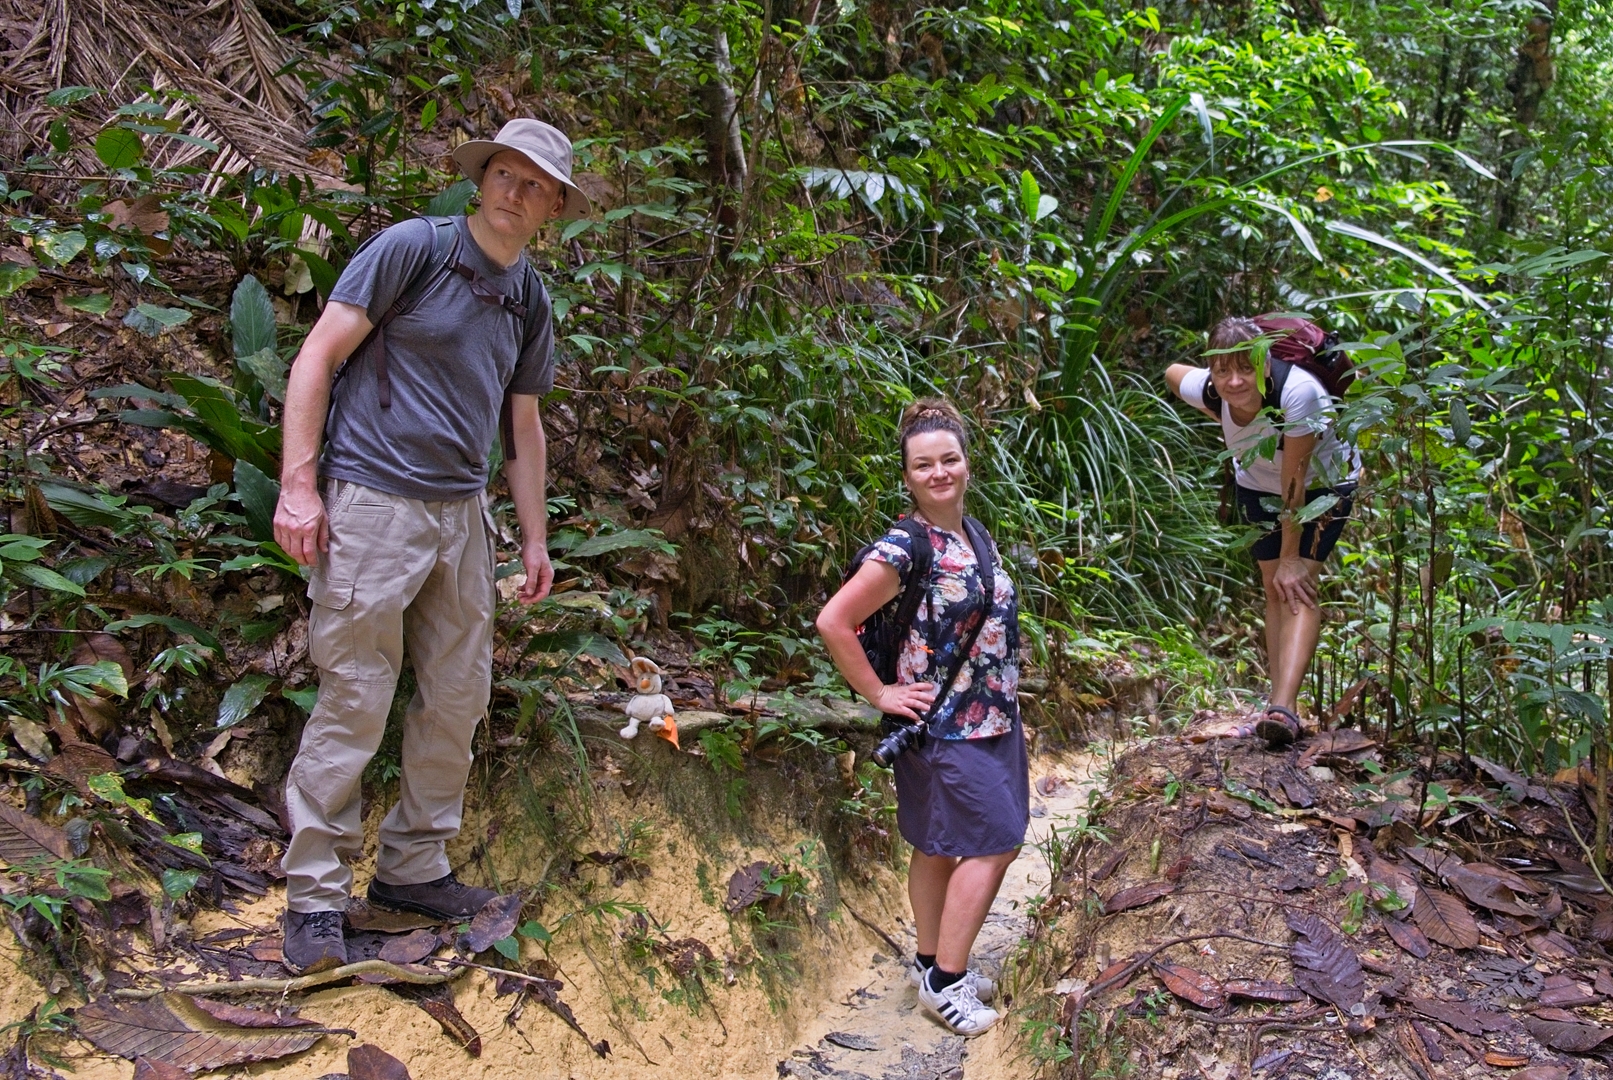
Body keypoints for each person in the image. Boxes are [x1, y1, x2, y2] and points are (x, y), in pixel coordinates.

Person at [270, 119, 591, 973]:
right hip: (373, 499)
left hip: (461, 512)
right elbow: (317, 356)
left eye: (535, 185)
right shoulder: (414, 248)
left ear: (553, 208)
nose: (514, 192)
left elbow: (522, 424)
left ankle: (413, 868)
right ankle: (315, 895)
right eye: (504, 174)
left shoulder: (528, 298)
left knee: (456, 696)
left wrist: (533, 537)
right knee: (355, 694)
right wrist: (298, 486)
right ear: (480, 179)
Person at [816, 399, 1028, 1036]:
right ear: (907, 476)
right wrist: (879, 693)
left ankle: (930, 962)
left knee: (937, 846)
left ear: (967, 463)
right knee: (996, 842)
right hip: (942, 727)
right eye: (923, 464)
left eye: (949, 459)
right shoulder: (904, 547)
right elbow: (834, 621)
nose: (939, 472)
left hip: (992, 719)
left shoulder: (974, 533)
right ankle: (946, 985)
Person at [1165, 316, 1361, 746]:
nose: (1235, 381)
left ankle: (1284, 709)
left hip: (1323, 484)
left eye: (1246, 368)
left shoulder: (1298, 393)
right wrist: (1216, 410)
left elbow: (1296, 482)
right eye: (1223, 371)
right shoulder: (1214, 387)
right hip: (1257, 484)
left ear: (1266, 363)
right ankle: (1276, 705)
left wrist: (1291, 557)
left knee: (1296, 584)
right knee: (1274, 587)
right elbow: (1173, 373)